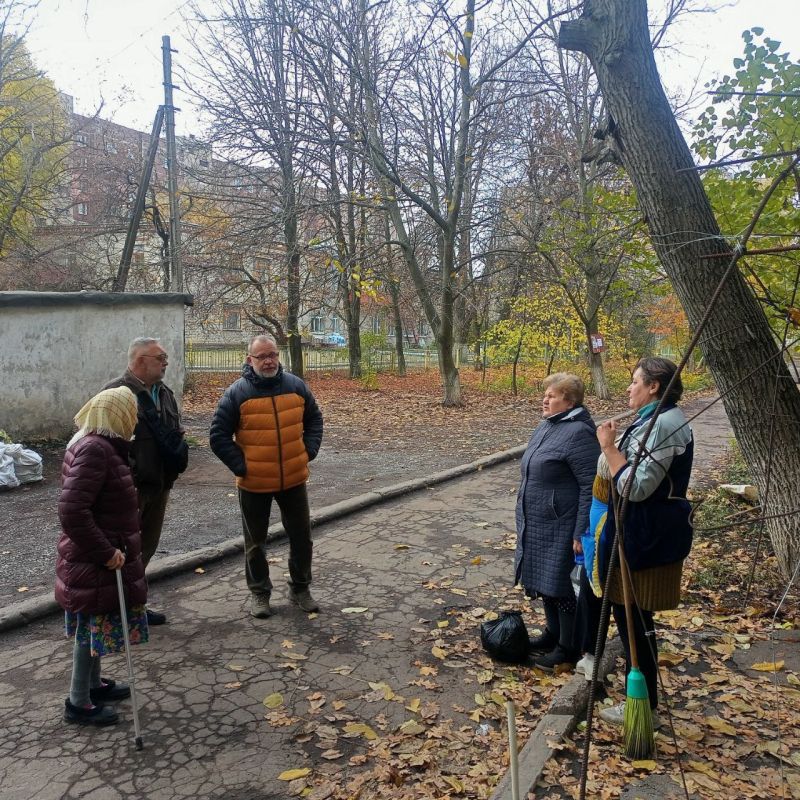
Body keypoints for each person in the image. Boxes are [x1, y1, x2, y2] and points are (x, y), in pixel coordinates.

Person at [595, 357, 694, 726]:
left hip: (644, 535)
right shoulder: (652, 419)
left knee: (635, 620)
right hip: (632, 531)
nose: (628, 388)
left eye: (635, 381)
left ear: (654, 386)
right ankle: (642, 700)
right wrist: (613, 449)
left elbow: (635, 487)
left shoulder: (665, 424)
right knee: (630, 617)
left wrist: (608, 448)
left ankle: (645, 706)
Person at [210, 334, 324, 618]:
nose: (269, 360)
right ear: (250, 360)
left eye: (272, 354)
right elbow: (218, 436)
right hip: (254, 483)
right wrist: (243, 466)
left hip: (294, 481)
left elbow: (314, 419)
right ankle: (259, 593)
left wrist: (307, 452)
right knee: (255, 543)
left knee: (302, 538)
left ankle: (300, 588)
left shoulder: (295, 386)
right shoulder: (237, 393)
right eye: (262, 356)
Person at [56, 387, 148, 727]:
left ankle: (94, 685)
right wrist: (106, 552)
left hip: (99, 555)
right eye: (131, 411)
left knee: (93, 624)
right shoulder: (96, 449)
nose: (134, 418)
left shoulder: (99, 444)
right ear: (117, 414)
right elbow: (72, 510)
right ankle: (78, 702)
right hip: (96, 559)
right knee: (87, 629)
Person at [515, 373, 600, 671]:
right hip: (538, 522)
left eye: (552, 395)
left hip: (562, 524)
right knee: (544, 582)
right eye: (546, 394)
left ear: (570, 401)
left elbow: (591, 485)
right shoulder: (547, 426)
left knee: (562, 586)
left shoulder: (579, 433)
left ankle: (568, 647)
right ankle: (553, 634)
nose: (545, 399)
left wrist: (581, 530)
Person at [105, 337, 188, 626]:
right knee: (123, 551)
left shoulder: (164, 392)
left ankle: (134, 606)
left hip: (161, 485)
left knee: (145, 548)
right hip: (131, 490)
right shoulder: (116, 393)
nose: (166, 361)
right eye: (160, 357)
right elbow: (103, 443)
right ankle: (113, 610)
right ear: (140, 360)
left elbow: (173, 429)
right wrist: (128, 477)